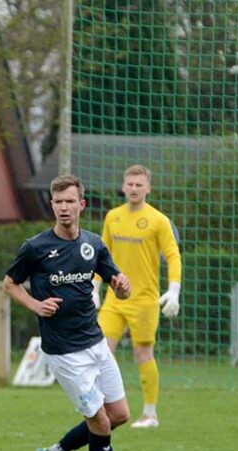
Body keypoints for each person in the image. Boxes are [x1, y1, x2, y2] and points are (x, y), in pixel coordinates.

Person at [3, 174, 139, 451]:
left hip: (95, 343)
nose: (64, 208)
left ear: (82, 204)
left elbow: (119, 284)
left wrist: (123, 287)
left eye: (70, 201)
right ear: (52, 205)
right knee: (101, 422)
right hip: (64, 352)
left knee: (119, 414)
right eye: (58, 202)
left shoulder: (93, 244)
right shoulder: (35, 247)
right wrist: (35, 304)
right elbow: (9, 283)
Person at [95, 164, 182, 429]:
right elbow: (102, 255)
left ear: (148, 188)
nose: (133, 189)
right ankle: (102, 411)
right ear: (123, 186)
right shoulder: (113, 217)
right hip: (114, 299)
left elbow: (172, 254)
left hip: (144, 300)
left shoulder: (158, 220)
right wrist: (93, 286)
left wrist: (174, 289)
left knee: (143, 353)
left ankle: (150, 414)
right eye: (130, 184)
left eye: (139, 184)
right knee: (99, 352)